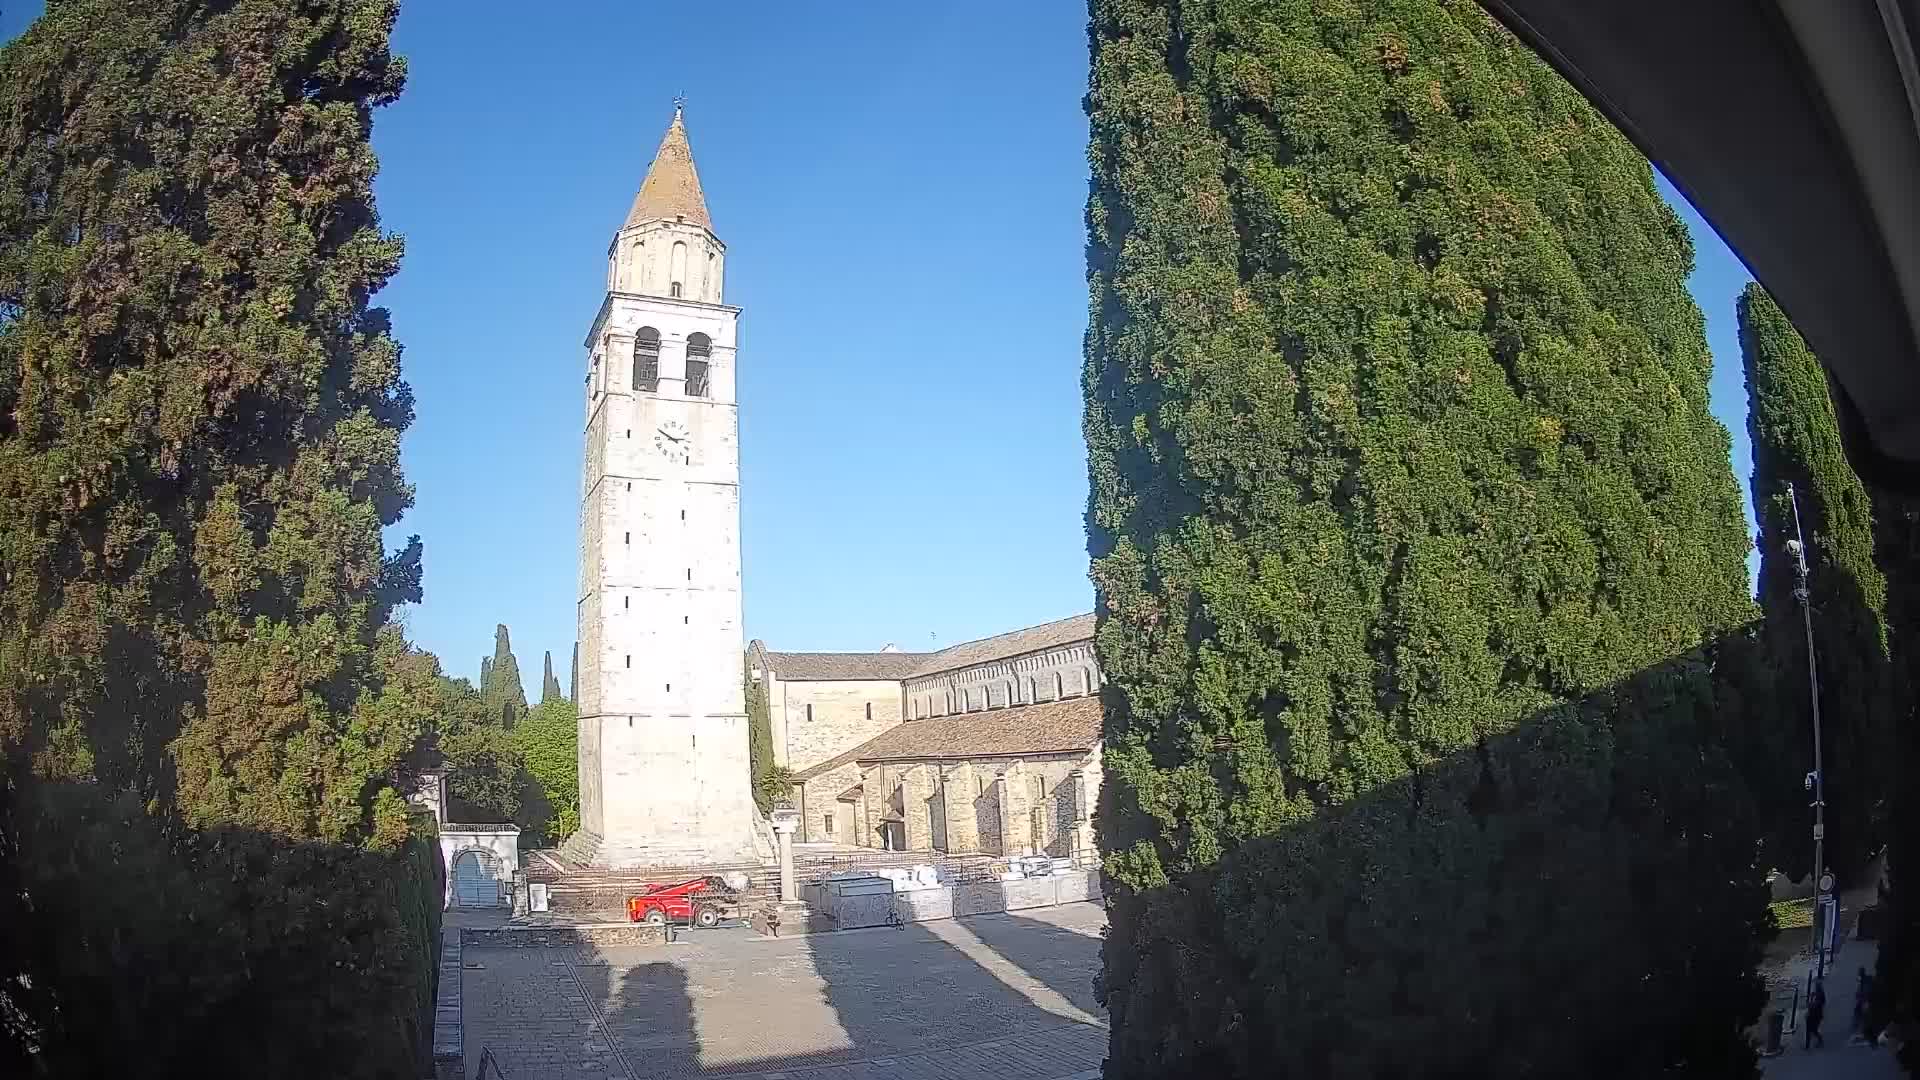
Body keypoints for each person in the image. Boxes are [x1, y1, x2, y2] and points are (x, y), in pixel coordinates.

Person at [1805, 978, 1827, 1050]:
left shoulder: (1820, 995)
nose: (1816, 987)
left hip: (1815, 1015)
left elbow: (1816, 1004)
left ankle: (1818, 1040)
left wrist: (1810, 1004)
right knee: (1811, 1029)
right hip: (1814, 1014)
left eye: (1817, 986)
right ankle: (1808, 1044)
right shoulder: (1818, 994)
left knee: (1813, 1029)